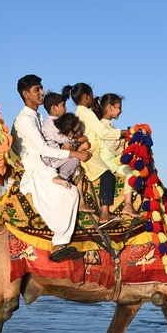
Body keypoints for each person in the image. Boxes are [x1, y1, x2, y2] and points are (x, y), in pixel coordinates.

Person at [10, 75, 91, 262]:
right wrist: (75, 154)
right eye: (37, 90)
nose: (42, 93)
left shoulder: (38, 117)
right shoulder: (25, 120)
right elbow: (43, 149)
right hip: (38, 169)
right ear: (25, 94)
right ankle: (58, 244)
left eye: (41, 88)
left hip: (46, 162)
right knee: (69, 194)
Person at [62, 83, 121, 227]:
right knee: (108, 177)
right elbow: (103, 133)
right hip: (90, 155)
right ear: (87, 97)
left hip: (94, 152)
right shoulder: (87, 113)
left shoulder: (79, 113)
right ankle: (105, 214)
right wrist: (124, 133)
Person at [92, 93, 137, 216]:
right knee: (131, 172)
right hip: (109, 160)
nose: (121, 111)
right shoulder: (104, 126)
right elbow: (113, 146)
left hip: (112, 158)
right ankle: (127, 204)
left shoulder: (108, 125)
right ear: (110, 108)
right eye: (119, 107)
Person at [40, 93, 88, 188]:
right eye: (63, 106)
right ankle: (61, 177)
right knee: (75, 160)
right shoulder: (51, 124)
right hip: (52, 158)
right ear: (54, 108)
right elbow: (60, 138)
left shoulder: (55, 121)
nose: (65, 109)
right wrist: (76, 139)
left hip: (55, 156)